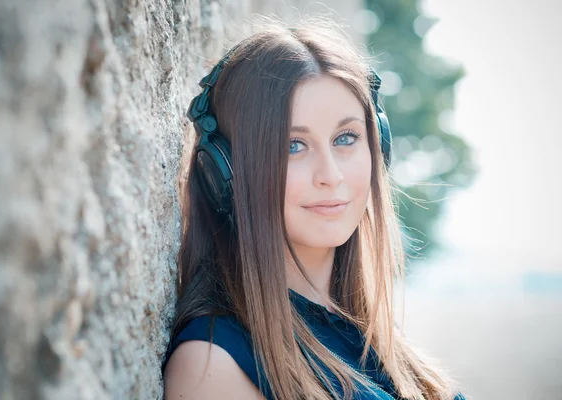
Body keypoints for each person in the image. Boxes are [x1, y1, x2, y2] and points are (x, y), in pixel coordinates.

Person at [162, 17, 465, 400]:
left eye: (346, 137)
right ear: (225, 171)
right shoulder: (212, 365)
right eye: (293, 146)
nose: (331, 175)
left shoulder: (377, 342)